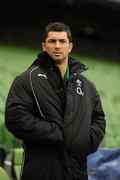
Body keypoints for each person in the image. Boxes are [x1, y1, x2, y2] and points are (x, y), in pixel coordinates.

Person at [5, 22, 106, 180]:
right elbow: (15, 118)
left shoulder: (87, 86)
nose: (57, 46)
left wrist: (84, 141)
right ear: (44, 46)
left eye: (62, 41)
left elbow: (98, 119)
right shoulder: (27, 80)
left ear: (70, 46)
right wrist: (60, 135)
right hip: (41, 172)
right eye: (52, 41)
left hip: (76, 172)